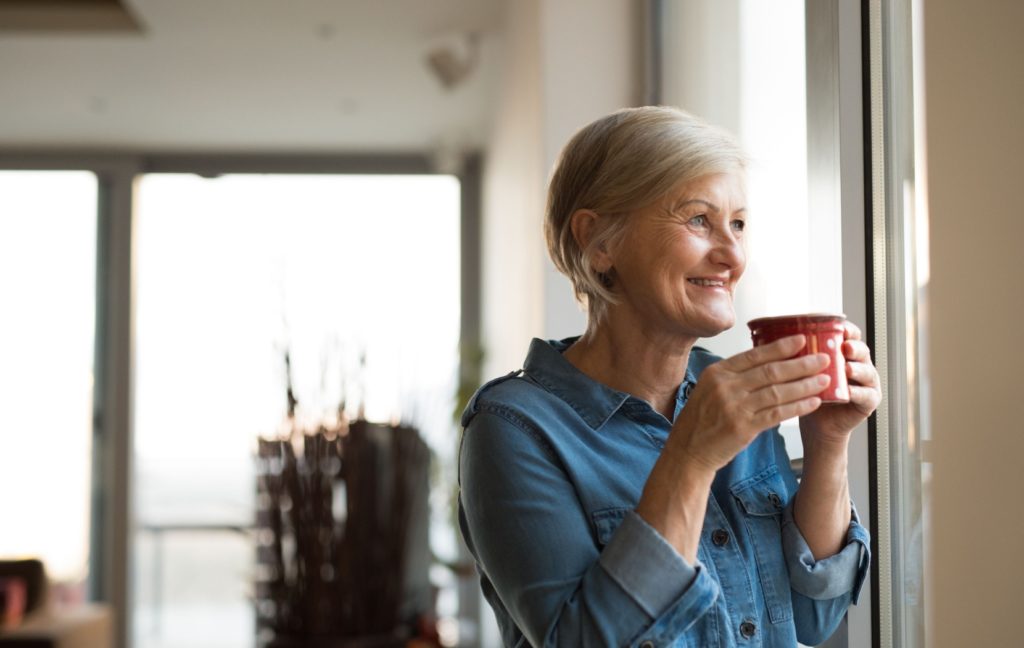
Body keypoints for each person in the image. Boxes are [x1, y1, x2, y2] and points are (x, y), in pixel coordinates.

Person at [457, 106, 879, 647]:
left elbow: (811, 617)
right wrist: (691, 456)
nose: (731, 254)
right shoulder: (513, 429)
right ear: (599, 242)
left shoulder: (733, 392)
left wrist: (829, 442)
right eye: (699, 219)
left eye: (739, 224)